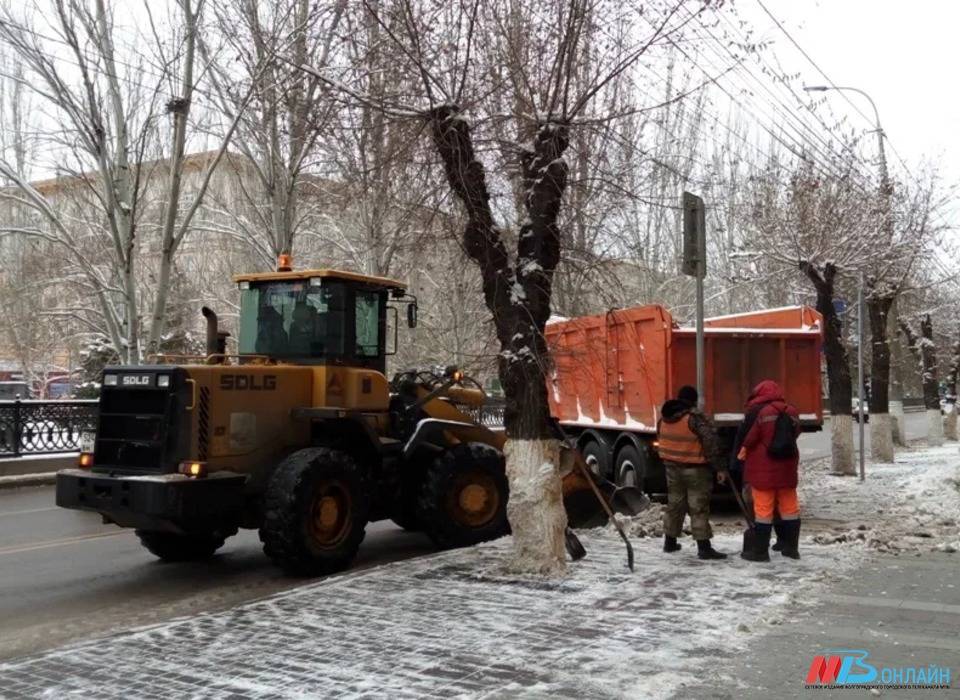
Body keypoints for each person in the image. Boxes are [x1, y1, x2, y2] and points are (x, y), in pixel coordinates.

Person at [656, 385, 727, 560]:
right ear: (693, 401)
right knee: (698, 507)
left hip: (672, 468)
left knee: (675, 505)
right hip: (695, 469)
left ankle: (670, 542)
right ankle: (704, 547)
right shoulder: (694, 419)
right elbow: (711, 442)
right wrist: (720, 467)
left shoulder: (664, 419)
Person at [736, 380, 802, 562]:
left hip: (763, 469)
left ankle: (760, 553)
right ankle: (791, 549)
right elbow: (796, 433)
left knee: (763, 510)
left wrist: (742, 451)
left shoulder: (763, 413)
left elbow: (751, 438)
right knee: (790, 508)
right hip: (787, 468)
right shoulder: (792, 411)